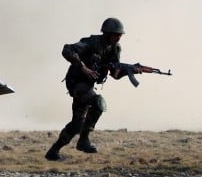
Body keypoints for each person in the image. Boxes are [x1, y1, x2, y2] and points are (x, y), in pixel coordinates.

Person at [45, 18, 144, 161]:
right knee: (98, 103)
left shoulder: (115, 48)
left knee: (77, 124)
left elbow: (115, 73)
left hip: (88, 86)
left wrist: (132, 70)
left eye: (120, 34)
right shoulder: (91, 43)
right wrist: (83, 67)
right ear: (107, 33)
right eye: (116, 34)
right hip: (77, 82)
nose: (119, 37)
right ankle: (83, 141)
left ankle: (53, 151)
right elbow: (67, 49)